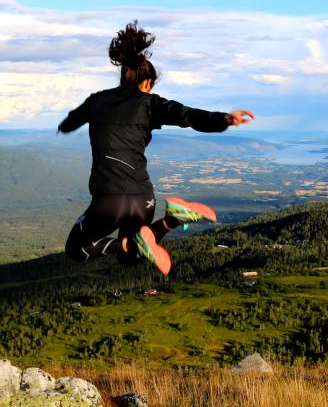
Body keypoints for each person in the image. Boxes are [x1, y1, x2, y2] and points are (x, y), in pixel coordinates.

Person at [57, 21, 255, 275]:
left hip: (109, 200)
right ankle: (172, 219)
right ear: (147, 83)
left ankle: (139, 239)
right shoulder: (150, 104)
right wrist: (224, 119)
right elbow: (188, 115)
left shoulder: (97, 101)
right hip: (144, 199)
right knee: (131, 258)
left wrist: (71, 123)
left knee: (76, 249)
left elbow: (68, 124)